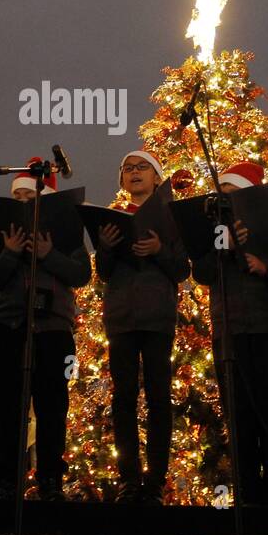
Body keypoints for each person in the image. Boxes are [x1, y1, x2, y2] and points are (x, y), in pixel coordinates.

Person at [192, 161, 268, 505]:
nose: (229, 201)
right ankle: (248, 500)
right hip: (230, 334)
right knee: (240, 421)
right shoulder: (215, 233)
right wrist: (224, 247)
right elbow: (202, 274)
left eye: (236, 195)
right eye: (224, 195)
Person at [0, 162, 90, 501]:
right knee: (9, 406)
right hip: (10, 326)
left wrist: (49, 255)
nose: (22, 201)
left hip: (55, 329)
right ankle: (8, 481)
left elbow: (81, 274)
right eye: (16, 196)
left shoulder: (67, 230)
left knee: (52, 406)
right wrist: (10, 253)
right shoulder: (3, 236)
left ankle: (49, 480)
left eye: (28, 196)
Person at [96, 149, 189, 505]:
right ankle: (129, 480)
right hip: (120, 319)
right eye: (128, 168)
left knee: (158, 399)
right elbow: (103, 273)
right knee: (123, 400)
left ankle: (155, 483)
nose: (134, 173)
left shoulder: (171, 218)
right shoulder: (114, 218)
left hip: (157, 318)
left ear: (157, 178)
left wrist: (159, 250)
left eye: (142, 168)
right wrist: (105, 248)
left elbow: (182, 269)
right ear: (122, 179)